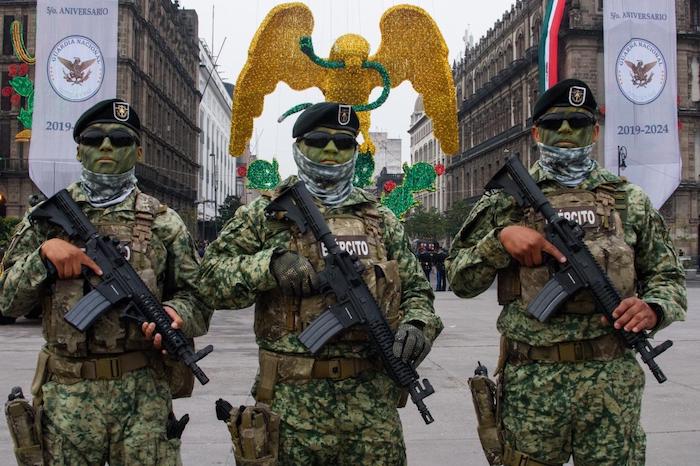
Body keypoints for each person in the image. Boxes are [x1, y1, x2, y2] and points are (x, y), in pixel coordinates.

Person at [446, 79, 687, 466]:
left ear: (594, 131)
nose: (565, 133)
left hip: (611, 381)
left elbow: (668, 277)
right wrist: (500, 238)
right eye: (554, 124)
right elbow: (458, 279)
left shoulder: (630, 201)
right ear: (537, 132)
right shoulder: (506, 201)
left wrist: (654, 308)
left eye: (577, 123)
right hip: (532, 383)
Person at [199, 102, 442, 465]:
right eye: (319, 141)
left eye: (343, 144)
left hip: (371, 410)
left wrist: (418, 324)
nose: (331, 150)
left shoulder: (381, 220)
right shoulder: (265, 215)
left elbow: (417, 291)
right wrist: (270, 264)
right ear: (299, 146)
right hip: (291, 409)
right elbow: (208, 280)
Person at [0, 99, 212, 465]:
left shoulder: (165, 222)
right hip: (68, 398)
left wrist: (176, 313)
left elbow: (200, 296)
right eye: (95, 139)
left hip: (143, 398)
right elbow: (6, 301)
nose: (107, 147)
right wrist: (44, 257)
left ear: (139, 151)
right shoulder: (46, 220)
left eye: (120, 140)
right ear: (79, 149)